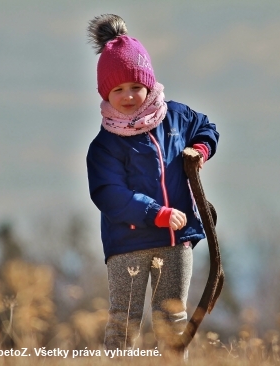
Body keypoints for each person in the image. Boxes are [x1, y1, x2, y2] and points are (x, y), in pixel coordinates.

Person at [85, 14, 219, 353]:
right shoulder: (104, 146)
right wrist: (155, 213)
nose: (128, 96)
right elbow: (110, 194)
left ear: (149, 83)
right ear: (105, 92)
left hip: (176, 243)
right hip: (127, 245)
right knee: (123, 322)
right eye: (118, 89)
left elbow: (207, 128)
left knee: (172, 320)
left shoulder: (176, 117)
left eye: (135, 86)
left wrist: (200, 150)